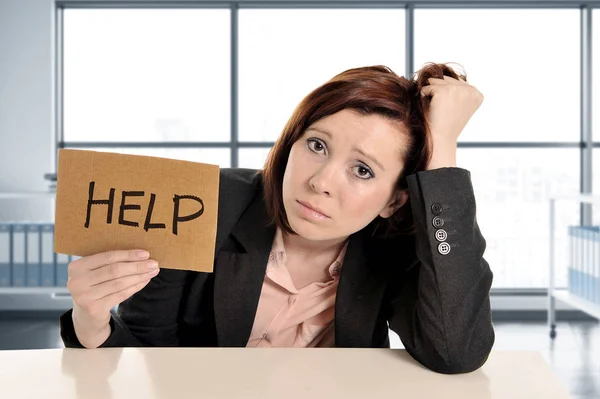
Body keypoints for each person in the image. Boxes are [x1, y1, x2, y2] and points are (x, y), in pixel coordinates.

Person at [59, 62, 495, 375]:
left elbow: (456, 352)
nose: (320, 181)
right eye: (317, 146)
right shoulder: (203, 204)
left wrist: (441, 154)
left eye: (362, 170)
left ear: (394, 201)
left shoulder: (396, 242)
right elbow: (145, 357)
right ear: (291, 142)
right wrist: (91, 320)